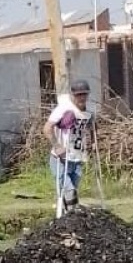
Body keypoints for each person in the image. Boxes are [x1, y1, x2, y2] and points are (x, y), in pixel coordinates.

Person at [42, 79, 94, 217]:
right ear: (72, 95)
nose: (82, 97)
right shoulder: (64, 109)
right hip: (60, 158)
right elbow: (47, 128)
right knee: (69, 190)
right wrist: (57, 146)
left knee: (72, 192)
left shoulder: (89, 111)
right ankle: (73, 219)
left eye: (84, 94)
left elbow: (92, 127)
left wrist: (92, 142)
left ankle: (66, 219)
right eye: (78, 95)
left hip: (77, 157)